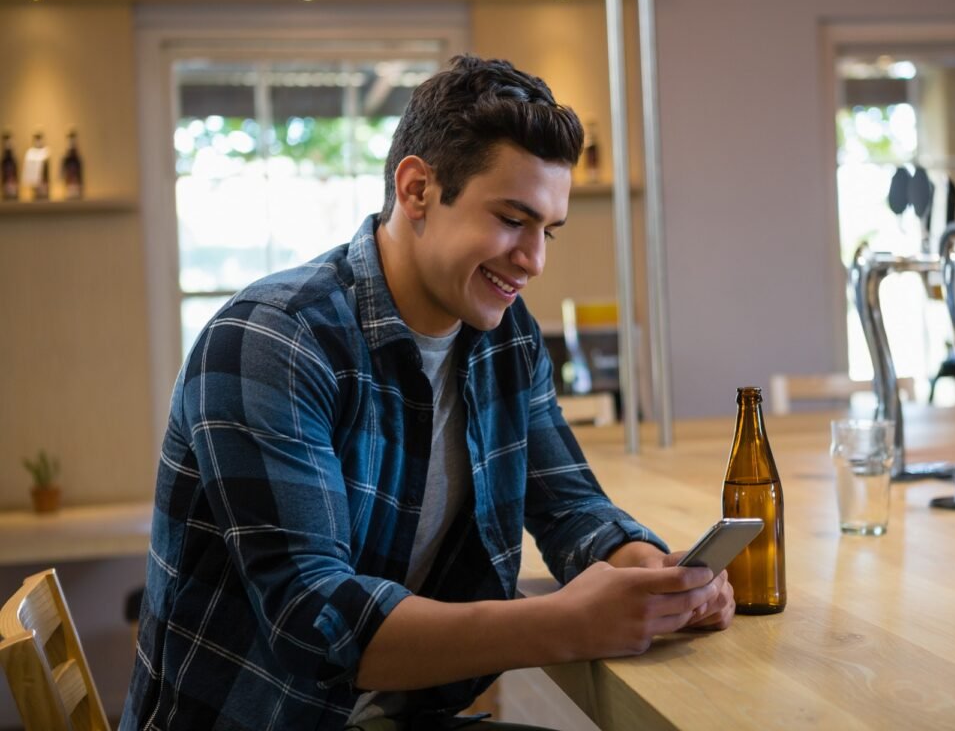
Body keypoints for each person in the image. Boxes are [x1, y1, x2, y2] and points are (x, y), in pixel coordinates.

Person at [121, 55, 734, 731]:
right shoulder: (272, 340)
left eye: (547, 230)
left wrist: (652, 573)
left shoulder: (506, 338)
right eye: (511, 219)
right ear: (416, 190)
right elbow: (318, 620)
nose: (534, 259)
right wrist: (565, 624)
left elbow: (568, 506)